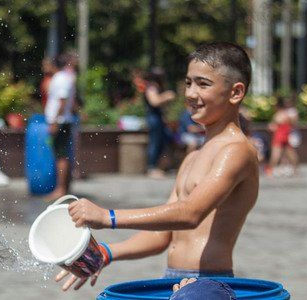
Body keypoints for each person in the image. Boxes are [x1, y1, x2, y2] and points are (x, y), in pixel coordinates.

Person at [55, 42, 259, 290]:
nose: (191, 93)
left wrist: (107, 216)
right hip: (172, 279)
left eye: (203, 84)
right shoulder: (193, 157)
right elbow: (163, 235)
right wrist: (106, 253)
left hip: (210, 284)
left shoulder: (236, 151)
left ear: (235, 93)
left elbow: (190, 214)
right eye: (188, 82)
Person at [43, 52, 79, 200]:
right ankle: (65, 188)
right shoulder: (66, 78)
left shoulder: (60, 78)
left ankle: (61, 190)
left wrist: (55, 122)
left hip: (61, 121)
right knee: (63, 154)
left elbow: (62, 101)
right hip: (65, 120)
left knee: (61, 156)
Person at [143, 67, 177, 179]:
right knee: (155, 142)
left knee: (164, 140)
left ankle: (161, 166)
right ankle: (151, 168)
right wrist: (167, 96)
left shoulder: (156, 87)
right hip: (153, 118)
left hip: (158, 118)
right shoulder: (151, 87)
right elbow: (154, 101)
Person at [266, 96, 300, 177]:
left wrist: (271, 127)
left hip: (279, 135)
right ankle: (296, 170)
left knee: (276, 154)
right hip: (286, 135)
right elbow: (293, 124)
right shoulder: (287, 114)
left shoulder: (278, 115)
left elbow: (273, 126)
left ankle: (270, 170)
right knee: (291, 154)